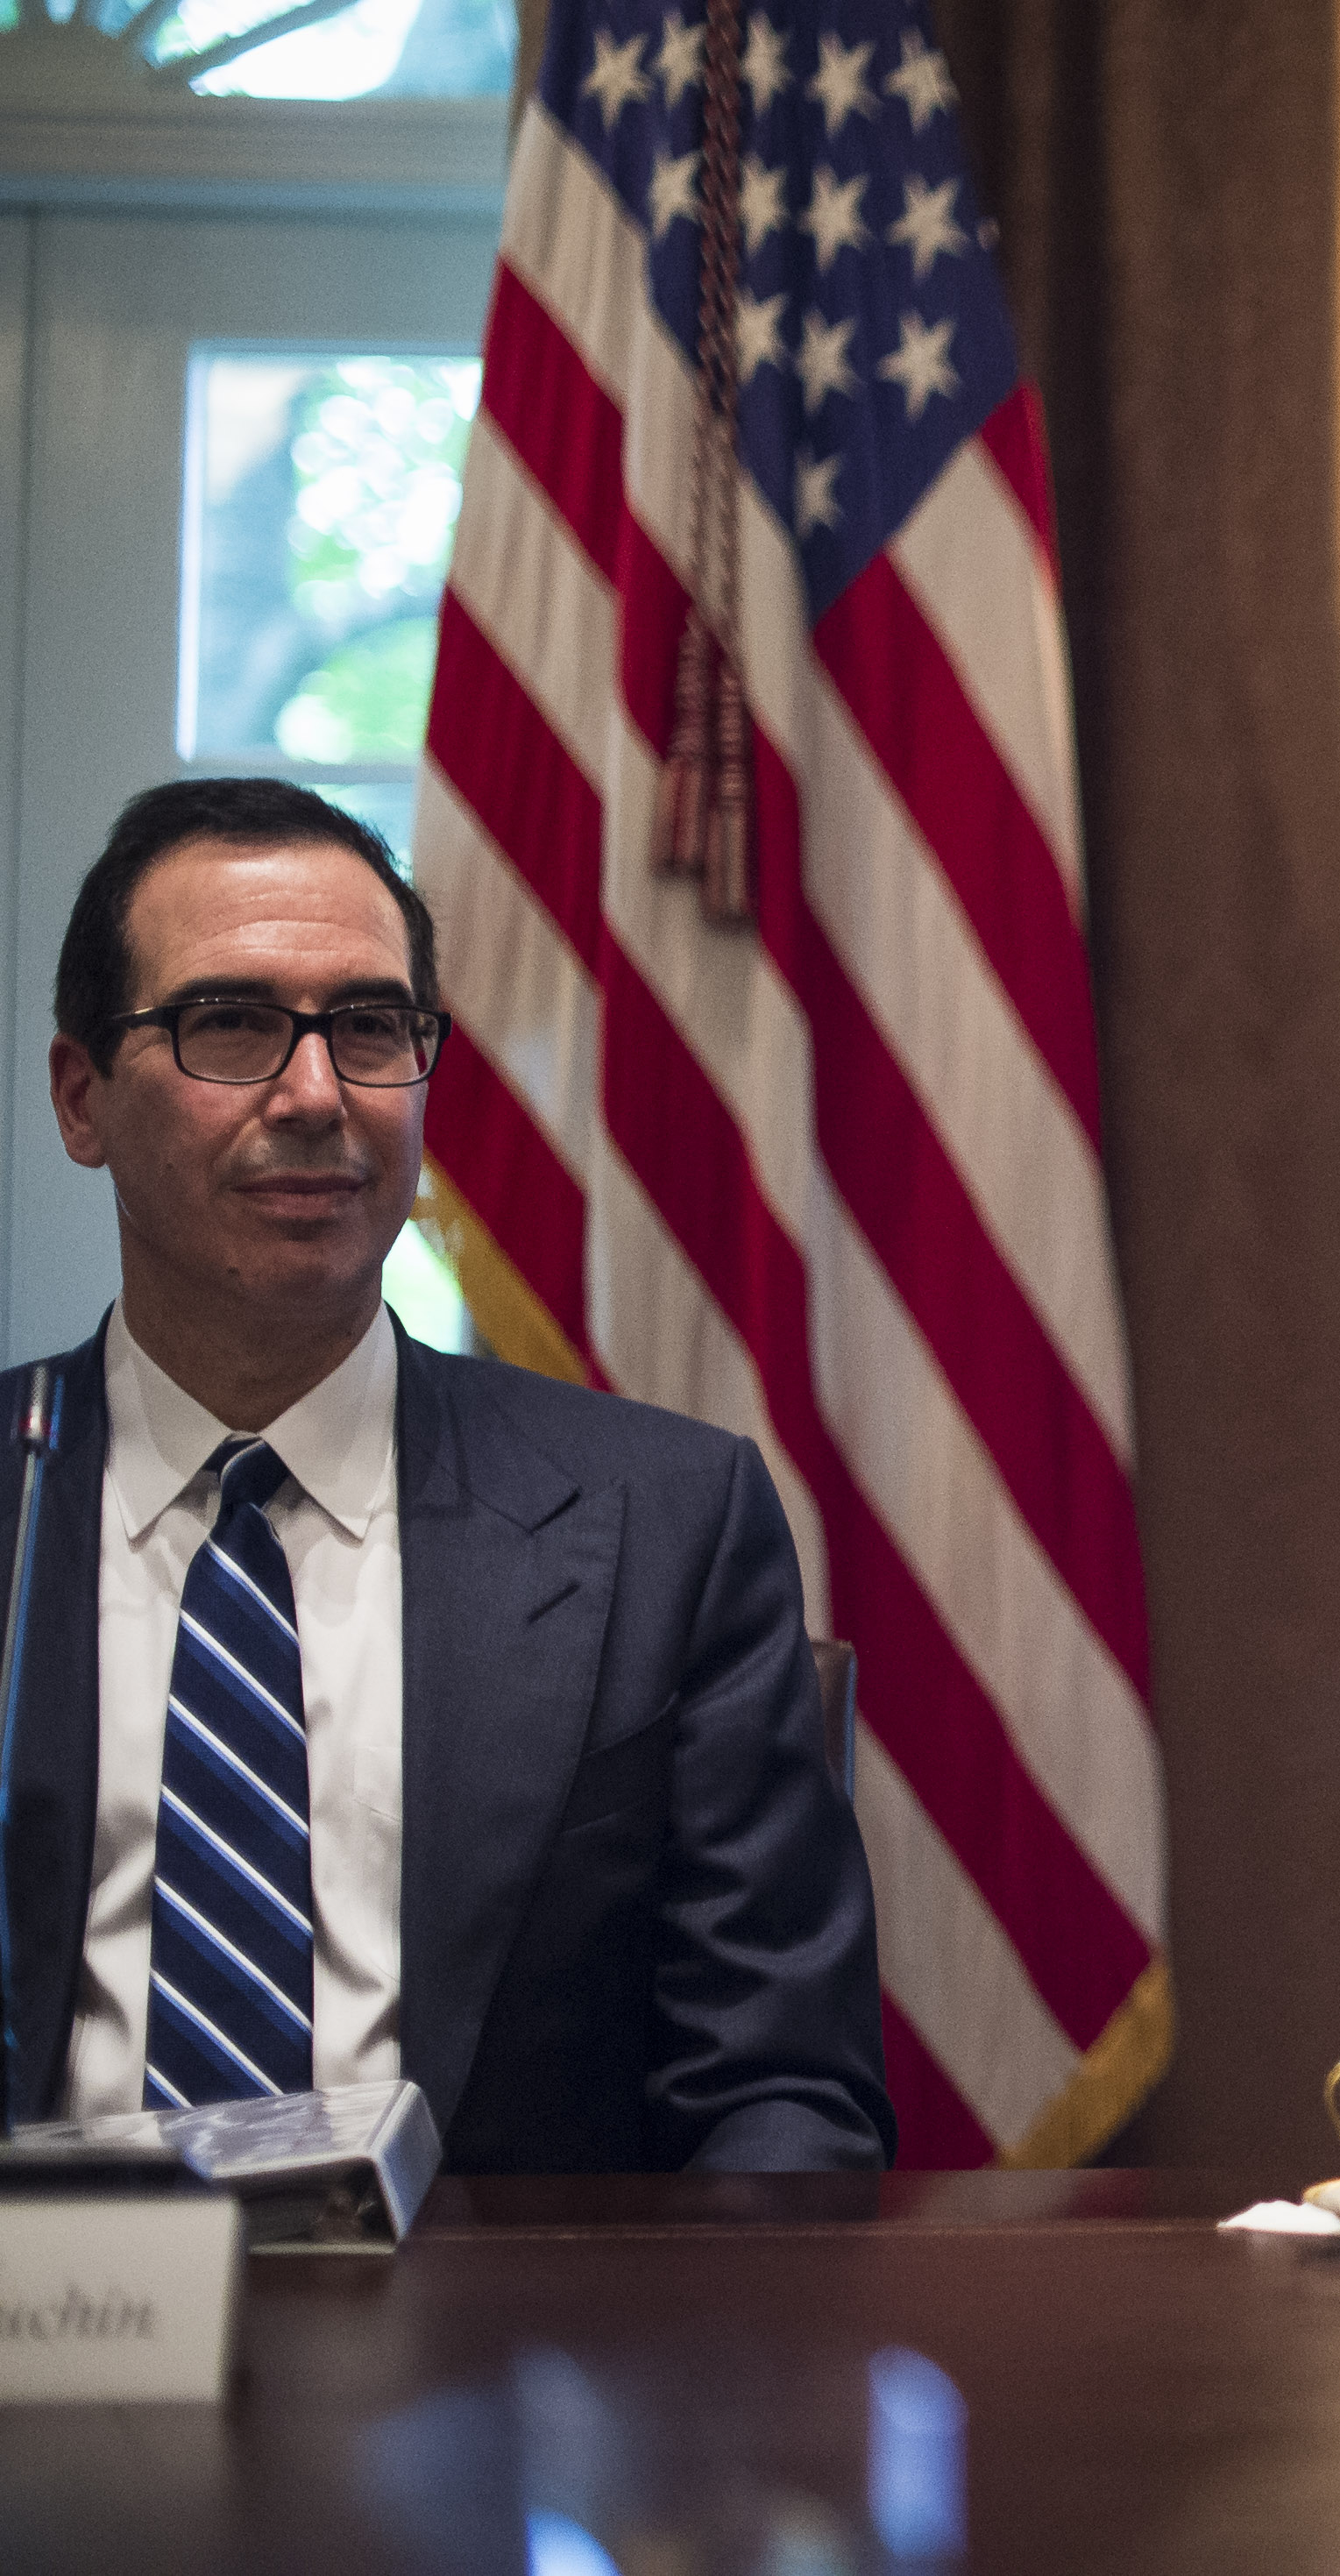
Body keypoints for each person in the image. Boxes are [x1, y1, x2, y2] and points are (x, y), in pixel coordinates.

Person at [0, 779, 889, 2172]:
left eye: (370, 1028)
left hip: (511, 2361)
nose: (313, 1095)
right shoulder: (22, 1492)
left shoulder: (668, 1525)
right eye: (230, 1025)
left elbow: (780, 2095)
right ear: (81, 1097)